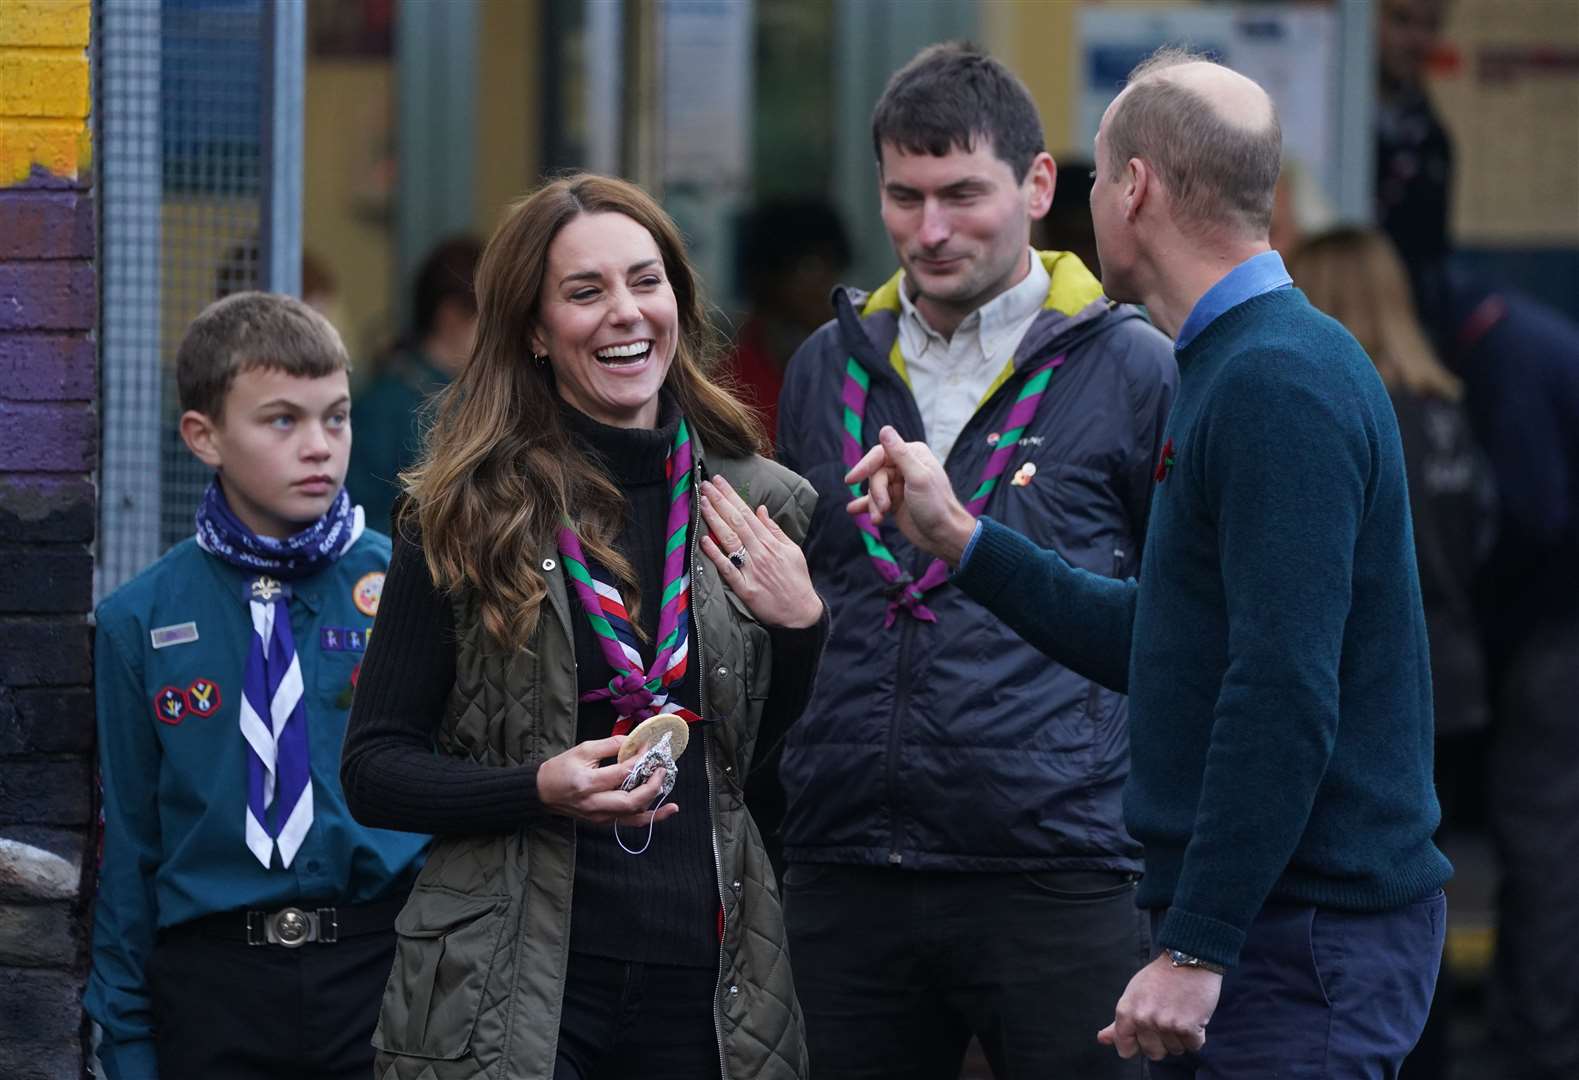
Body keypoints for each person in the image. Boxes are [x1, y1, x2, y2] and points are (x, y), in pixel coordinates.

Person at [844, 49, 1452, 1076]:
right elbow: (1174, 643)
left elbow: (1280, 690)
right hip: (1274, 924)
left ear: (1134, 188)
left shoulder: (1272, 381)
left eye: (1094, 179)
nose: (1087, 202)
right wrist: (965, 543)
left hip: (1297, 935)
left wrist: (1196, 943)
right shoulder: (1241, 363)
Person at [338, 174, 826, 1080]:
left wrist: (801, 631)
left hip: (711, 981)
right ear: (532, 329)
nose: (624, 314)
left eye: (646, 283)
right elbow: (372, 769)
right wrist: (536, 787)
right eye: (584, 291)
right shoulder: (459, 512)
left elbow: (770, 773)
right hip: (513, 985)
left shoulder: (762, 506)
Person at [773, 42, 1177, 1080]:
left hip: (1057, 858)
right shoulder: (828, 363)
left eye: (962, 194)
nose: (930, 229)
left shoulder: (1133, 364)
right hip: (847, 855)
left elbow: (1176, 621)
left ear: (1039, 186)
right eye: (904, 197)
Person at [84, 292, 429, 1079]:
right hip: (213, 986)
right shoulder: (139, 621)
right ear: (203, 437)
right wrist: (129, 1041)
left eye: (335, 418)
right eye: (283, 421)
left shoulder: (413, 585)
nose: (319, 447)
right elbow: (130, 848)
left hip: (384, 974)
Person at [345, 235, 483, 532]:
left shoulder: (481, 392)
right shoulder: (385, 405)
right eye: (489, 317)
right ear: (451, 315)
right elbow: (360, 516)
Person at [727, 199, 853, 438]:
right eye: (810, 269)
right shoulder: (732, 378)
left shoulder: (851, 365)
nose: (824, 285)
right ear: (768, 277)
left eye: (833, 268)